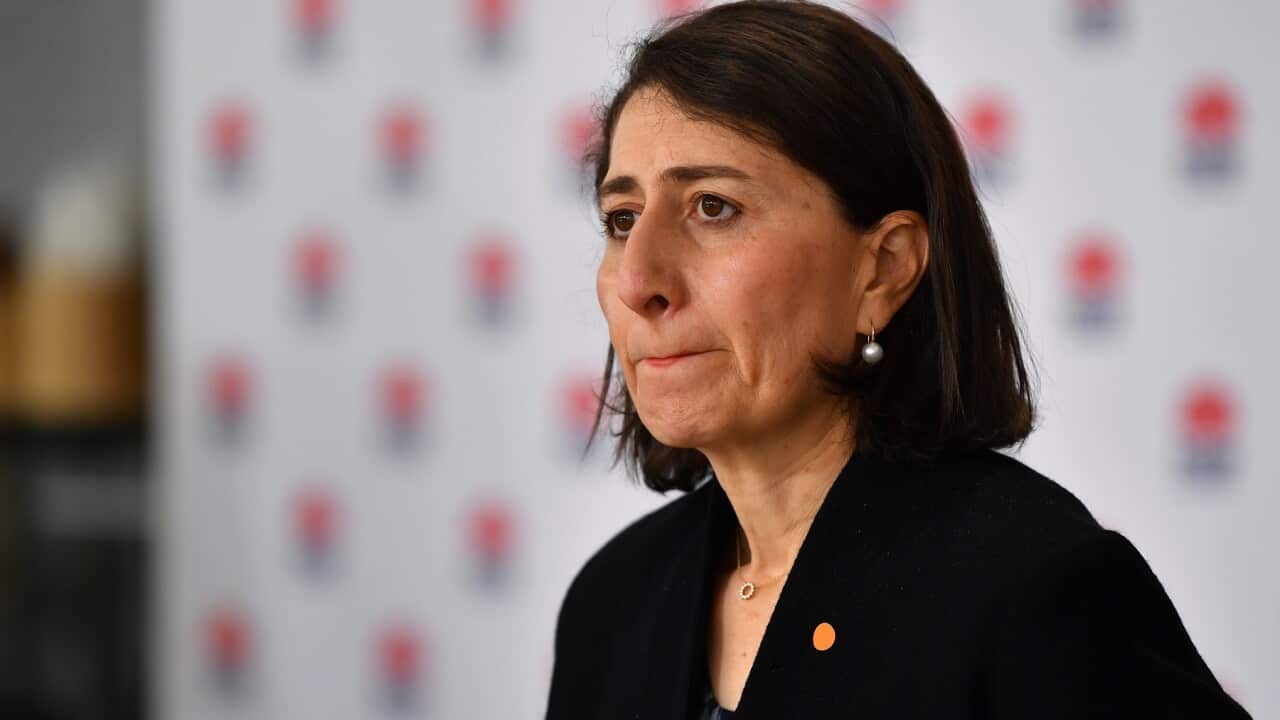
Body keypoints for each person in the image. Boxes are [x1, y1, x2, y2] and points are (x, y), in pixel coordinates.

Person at [545, 1, 1253, 717]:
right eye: (622, 219)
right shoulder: (612, 604)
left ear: (882, 270)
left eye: (713, 207)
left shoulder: (1033, 586)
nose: (638, 282)